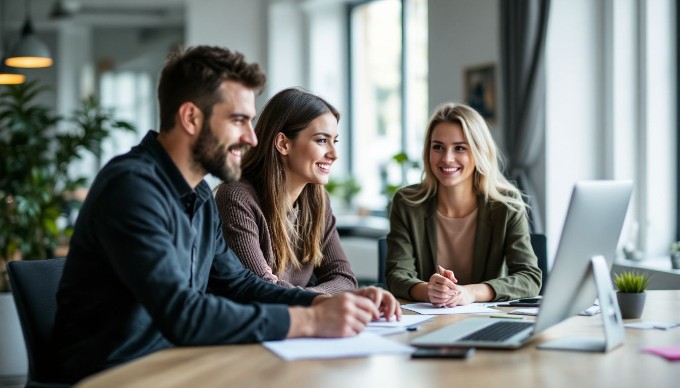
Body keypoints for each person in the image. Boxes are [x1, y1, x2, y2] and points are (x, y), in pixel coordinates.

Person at [53, 46, 400, 384]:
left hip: (176, 363)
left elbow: (239, 284)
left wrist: (330, 301)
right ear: (191, 118)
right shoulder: (131, 188)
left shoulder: (199, 193)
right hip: (115, 375)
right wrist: (309, 321)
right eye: (238, 120)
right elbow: (183, 313)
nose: (251, 137)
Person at [385, 102, 541, 307]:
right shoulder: (407, 202)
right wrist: (430, 291)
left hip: (484, 322)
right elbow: (397, 275)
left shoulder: (506, 206)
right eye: (438, 147)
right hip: (426, 320)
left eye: (460, 148)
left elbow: (529, 277)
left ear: (479, 152)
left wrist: (471, 292)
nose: (447, 158)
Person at [215, 88, 356, 294]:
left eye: (334, 141)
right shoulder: (236, 197)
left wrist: (311, 298)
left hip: (299, 321)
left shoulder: (318, 201)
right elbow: (262, 289)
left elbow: (344, 279)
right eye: (321, 140)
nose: (334, 154)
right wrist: (318, 299)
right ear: (283, 143)